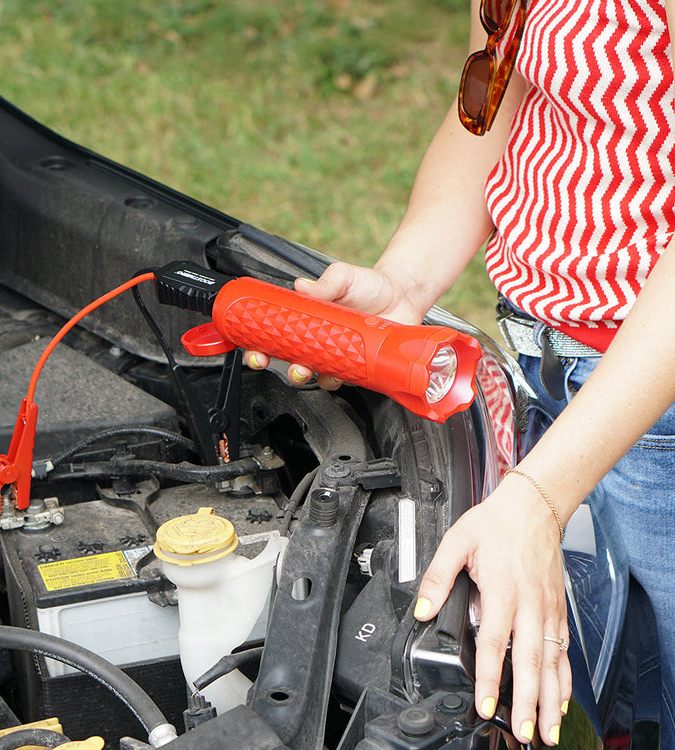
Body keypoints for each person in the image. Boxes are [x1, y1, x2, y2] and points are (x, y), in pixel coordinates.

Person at [245, 0, 675, 745]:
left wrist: (540, 498)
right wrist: (404, 283)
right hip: (550, 380)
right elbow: (490, 105)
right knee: (609, 702)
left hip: (653, 401)